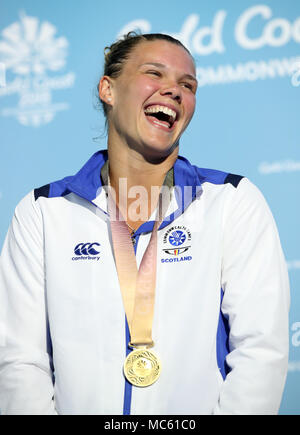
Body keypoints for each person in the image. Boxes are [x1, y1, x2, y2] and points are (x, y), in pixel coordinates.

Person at [0, 32, 290, 415]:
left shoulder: (232, 201)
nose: (174, 91)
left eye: (188, 85)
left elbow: (260, 352)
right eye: (155, 73)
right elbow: (19, 360)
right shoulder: (43, 211)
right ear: (108, 89)